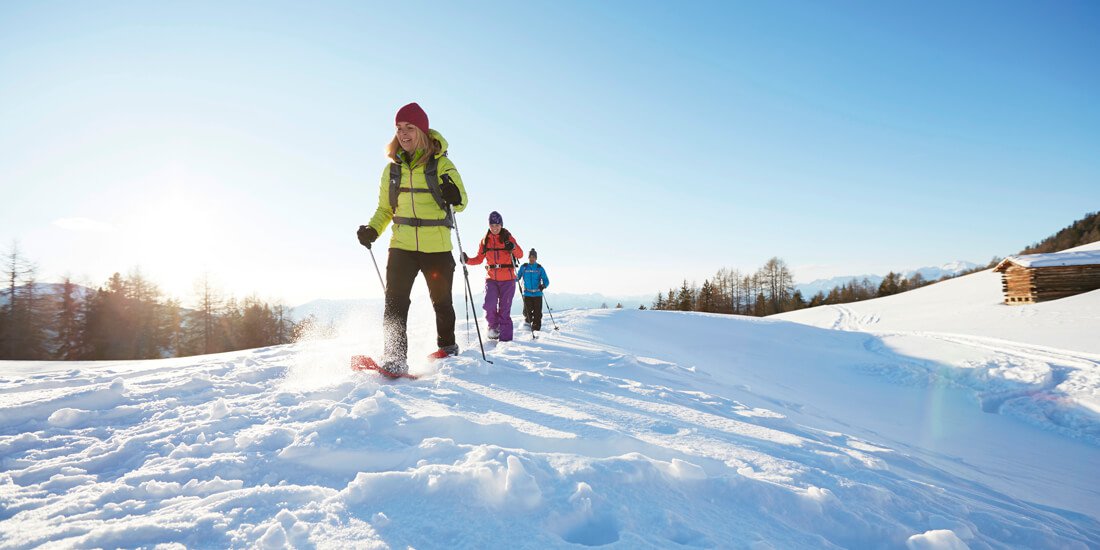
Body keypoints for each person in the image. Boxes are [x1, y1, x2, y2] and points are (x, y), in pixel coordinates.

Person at [356, 102, 467, 375]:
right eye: (399, 129)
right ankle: (394, 357)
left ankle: (447, 348)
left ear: (422, 131)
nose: (403, 134)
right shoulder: (392, 170)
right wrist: (372, 229)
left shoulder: (442, 164)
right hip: (402, 245)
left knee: (441, 302)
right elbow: (385, 210)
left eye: (409, 128)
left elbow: (462, 201)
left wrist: (453, 194)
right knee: (395, 302)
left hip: (437, 245)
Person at [461, 211, 523, 342]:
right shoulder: (485, 241)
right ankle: (493, 329)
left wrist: (512, 247)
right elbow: (478, 259)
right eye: (492, 225)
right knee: (489, 305)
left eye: (497, 225)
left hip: (508, 280)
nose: (495, 228)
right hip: (491, 279)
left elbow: (520, 254)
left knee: (504, 310)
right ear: (489, 225)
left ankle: (506, 341)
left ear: (501, 225)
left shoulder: (508, 238)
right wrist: (466, 260)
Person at [517, 248, 550, 332]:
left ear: (536, 258)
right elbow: (517, 277)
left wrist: (543, 286)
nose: (532, 259)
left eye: (533, 257)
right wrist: (513, 277)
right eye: (530, 257)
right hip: (527, 294)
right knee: (526, 312)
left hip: (537, 294)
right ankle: (528, 323)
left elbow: (546, 281)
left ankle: (536, 328)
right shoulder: (524, 267)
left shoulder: (539, 268)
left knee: (537, 313)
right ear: (528, 258)